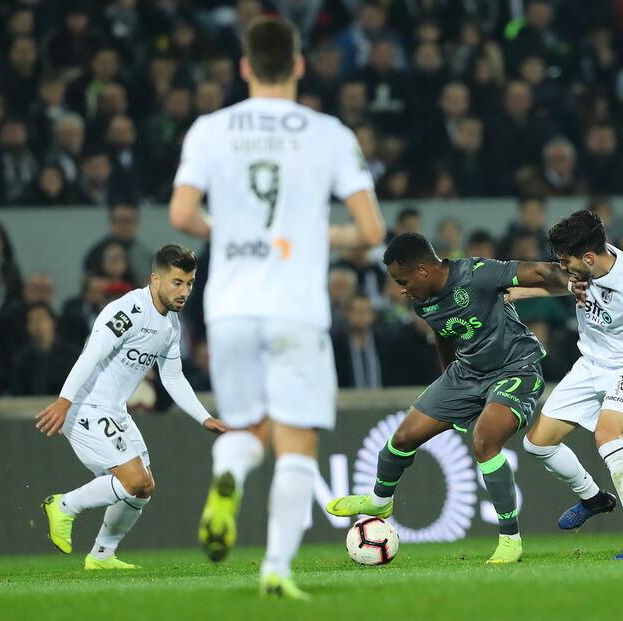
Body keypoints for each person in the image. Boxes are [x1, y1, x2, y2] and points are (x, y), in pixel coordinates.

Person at [168, 17, 384, 599]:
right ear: (298, 65)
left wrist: (227, 229)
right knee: (296, 443)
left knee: (245, 427)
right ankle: (276, 569)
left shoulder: (210, 129)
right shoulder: (328, 132)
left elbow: (182, 216)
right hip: (296, 309)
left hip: (230, 309)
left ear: (243, 68)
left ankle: (229, 474)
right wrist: (319, 236)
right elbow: (370, 230)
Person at [326, 232, 569, 564]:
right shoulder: (420, 298)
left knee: (484, 440)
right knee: (403, 437)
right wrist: (447, 379)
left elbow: (540, 273)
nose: (400, 288)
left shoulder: (478, 273)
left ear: (424, 271)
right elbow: (444, 332)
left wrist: (576, 283)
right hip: (465, 374)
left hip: (516, 368)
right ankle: (380, 500)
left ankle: (510, 540)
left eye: (403, 280)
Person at [36, 245, 226, 570]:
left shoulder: (170, 324)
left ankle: (101, 557)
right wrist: (66, 400)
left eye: (190, 283)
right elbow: (91, 354)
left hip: (113, 410)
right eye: (177, 283)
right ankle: (63, 506)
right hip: (86, 406)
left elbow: (173, 376)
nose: (185, 292)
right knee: (134, 481)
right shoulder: (128, 312)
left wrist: (204, 417)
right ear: (156, 279)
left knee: (143, 488)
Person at [509, 210, 623, 560]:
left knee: (606, 436)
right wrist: (513, 293)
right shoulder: (586, 264)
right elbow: (558, 281)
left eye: (566, 261)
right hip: (589, 365)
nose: (562, 267)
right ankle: (592, 497)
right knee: (537, 445)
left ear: (587, 257)